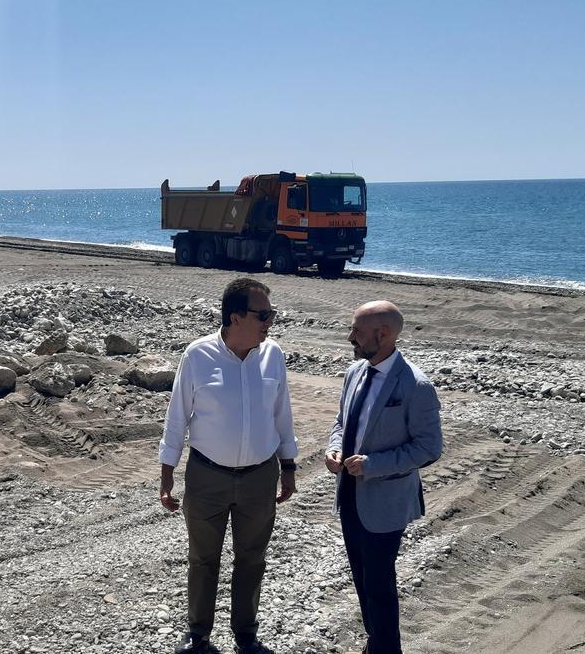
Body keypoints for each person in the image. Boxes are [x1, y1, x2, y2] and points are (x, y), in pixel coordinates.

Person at [159, 277, 298, 654]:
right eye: (263, 315)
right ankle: (198, 633)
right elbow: (177, 418)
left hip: (260, 477)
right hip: (207, 476)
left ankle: (246, 634)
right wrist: (167, 474)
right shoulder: (197, 355)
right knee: (203, 558)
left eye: (271, 314)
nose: (270, 322)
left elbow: (282, 415)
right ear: (235, 317)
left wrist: (288, 466)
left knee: (252, 559)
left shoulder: (273, 355)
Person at [326, 301, 443, 654]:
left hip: (385, 502)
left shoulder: (416, 386)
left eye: (358, 332)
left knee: (379, 583)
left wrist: (373, 464)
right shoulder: (355, 372)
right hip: (350, 494)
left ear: (384, 334)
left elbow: (429, 449)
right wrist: (334, 448)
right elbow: (342, 422)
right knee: (362, 578)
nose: (351, 338)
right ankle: (375, 643)